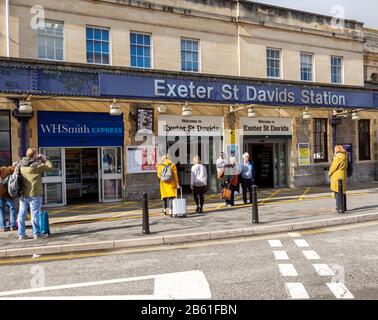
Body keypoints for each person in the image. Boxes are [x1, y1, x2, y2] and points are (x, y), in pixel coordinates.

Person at [17, 148, 54, 240]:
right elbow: (50, 167)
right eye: (37, 153)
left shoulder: (20, 165)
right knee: (35, 215)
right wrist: (44, 159)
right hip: (34, 194)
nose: (38, 154)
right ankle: (36, 234)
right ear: (34, 155)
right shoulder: (36, 166)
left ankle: (21, 234)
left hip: (23, 194)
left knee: (21, 214)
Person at [328, 145, 348, 212]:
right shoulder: (344, 156)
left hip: (337, 175)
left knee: (337, 192)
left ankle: (339, 207)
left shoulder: (338, 157)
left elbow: (333, 167)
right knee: (342, 192)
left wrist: (329, 173)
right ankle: (344, 207)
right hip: (343, 174)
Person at [0, 166, 17, 232]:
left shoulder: (1, 170)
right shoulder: (11, 170)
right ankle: (12, 226)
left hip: (0, 193)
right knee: (12, 208)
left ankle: (2, 227)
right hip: (9, 194)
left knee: (1, 209)